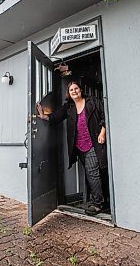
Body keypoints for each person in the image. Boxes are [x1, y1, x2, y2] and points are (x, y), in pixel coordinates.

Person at [36, 81, 108, 215]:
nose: (74, 91)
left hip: (94, 142)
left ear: (81, 90)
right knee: (92, 173)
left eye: (76, 88)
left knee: (93, 172)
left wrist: (102, 133)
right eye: (71, 90)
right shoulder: (68, 107)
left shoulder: (93, 101)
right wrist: (43, 116)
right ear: (68, 93)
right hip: (79, 146)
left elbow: (105, 117)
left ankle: (98, 204)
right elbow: (56, 117)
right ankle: (100, 199)